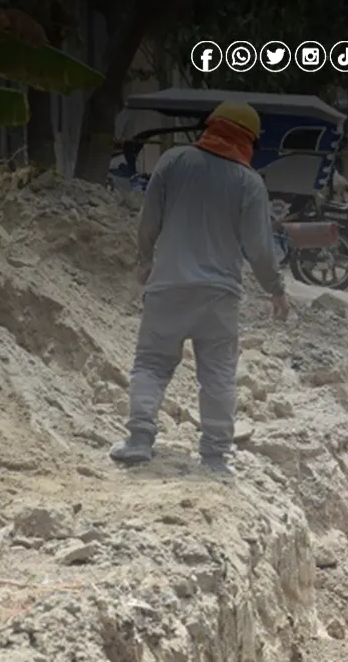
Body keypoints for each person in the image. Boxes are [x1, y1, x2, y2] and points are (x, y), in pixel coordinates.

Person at [108, 100, 289, 475]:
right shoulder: (249, 183)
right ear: (249, 141)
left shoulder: (173, 161)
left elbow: (149, 220)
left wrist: (145, 259)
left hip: (168, 286)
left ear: (211, 126)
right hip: (219, 296)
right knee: (218, 374)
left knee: (152, 363)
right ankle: (214, 456)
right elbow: (259, 247)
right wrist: (275, 289)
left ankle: (139, 441)